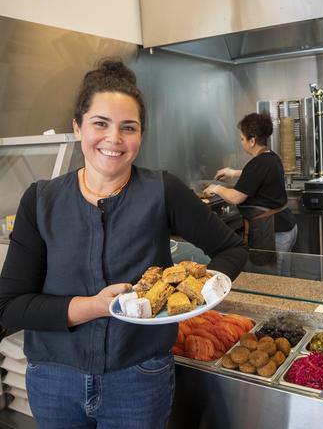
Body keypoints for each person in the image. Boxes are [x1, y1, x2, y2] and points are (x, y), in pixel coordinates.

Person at [0, 59, 248, 428]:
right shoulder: (41, 200)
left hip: (138, 377)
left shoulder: (162, 190)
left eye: (128, 127)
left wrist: (205, 290)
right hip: (55, 379)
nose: (114, 138)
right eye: (100, 123)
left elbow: (232, 248)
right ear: (77, 127)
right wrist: (94, 307)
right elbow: (10, 306)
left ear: (140, 135)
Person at [203, 112, 298, 253]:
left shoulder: (258, 163)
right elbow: (257, 174)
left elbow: (236, 197)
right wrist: (233, 172)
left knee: (271, 275)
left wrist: (216, 188)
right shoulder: (271, 156)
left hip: (274, 233)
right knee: (280, 274)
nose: (241, 142)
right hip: (285, 227)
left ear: (252, 141)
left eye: (242, 139)